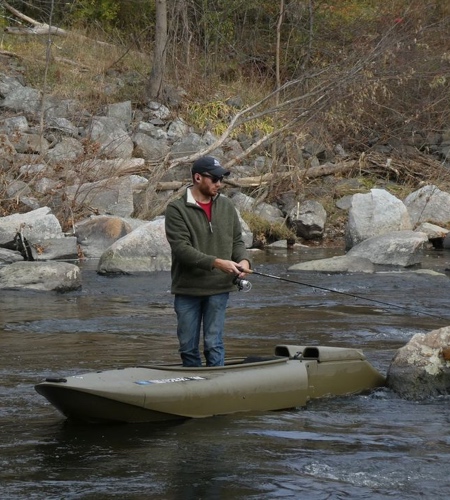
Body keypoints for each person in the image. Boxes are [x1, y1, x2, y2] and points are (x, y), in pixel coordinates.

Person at [165, 156, 251, 367]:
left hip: (218, 289)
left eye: (220, 179)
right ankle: (195, 389)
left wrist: (244, 261)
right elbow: (181, 249)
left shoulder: (227, 206)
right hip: (187, 290)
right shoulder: (176, 209)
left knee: (214, 344)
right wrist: (216, 263)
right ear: (197, 178)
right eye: (214, 179)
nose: (218, 184)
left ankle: (217, 388)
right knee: (187, 348)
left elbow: (237, 241)